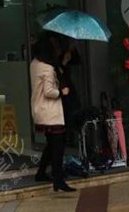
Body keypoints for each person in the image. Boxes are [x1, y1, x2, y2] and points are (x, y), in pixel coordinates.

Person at [30, 34, 76, 192]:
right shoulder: (48, 68)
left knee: (51, 145)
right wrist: (62, 92)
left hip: (39, 110)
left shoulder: (34, 64)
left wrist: (62, 63)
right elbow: (49, 91)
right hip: (51, 112)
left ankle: (41, 173)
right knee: (58, 146)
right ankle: (58, 180)